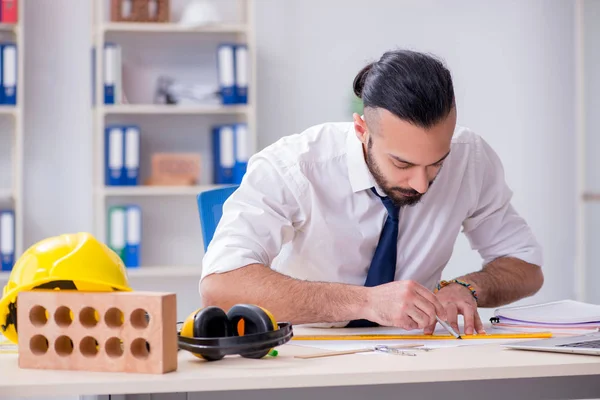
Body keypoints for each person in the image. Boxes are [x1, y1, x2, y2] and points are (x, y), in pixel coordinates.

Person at [199, 49, 544, 335]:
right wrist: (366, 302)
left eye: (437, 163)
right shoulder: (293, 166)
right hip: (306, 348)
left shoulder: (470, 156)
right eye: (402, 164)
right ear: (362, 130)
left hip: (415, 350)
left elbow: (526, 266)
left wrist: (467, 287)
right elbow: (220, 287)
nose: (421, 184)